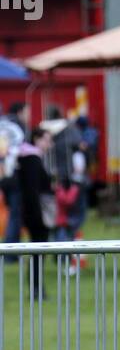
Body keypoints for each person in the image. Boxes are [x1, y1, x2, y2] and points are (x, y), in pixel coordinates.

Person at [15, 124, 54, 295]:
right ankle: (37, 287)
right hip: (36, 213)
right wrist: (38, 215)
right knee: (38, 250)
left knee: (37, 250)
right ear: (37, 140)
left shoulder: (27, 157)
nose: (49, 144)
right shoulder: (32, 159)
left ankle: (36, 286)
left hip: (32, 211)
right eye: (46, 140)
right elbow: (32, 189)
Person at [0, 101, 28, 250]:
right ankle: (10, 251)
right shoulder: (14, 128)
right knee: (15, 214)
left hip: (2, 175)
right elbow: (21, 148)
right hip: (13, 175)